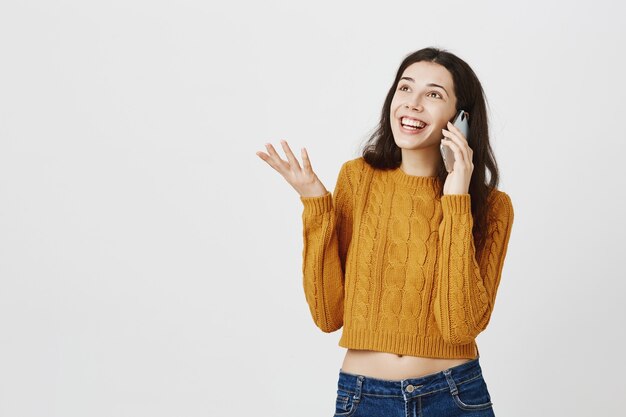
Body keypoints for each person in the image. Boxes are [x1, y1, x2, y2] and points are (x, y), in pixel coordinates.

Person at [256, 47, 513, 416]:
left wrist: (456, 194)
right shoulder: (357, 179)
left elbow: (460, 326)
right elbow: (328, 315)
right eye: (405, 89)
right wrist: (315, 204)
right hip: (364, 397)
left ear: (461, 118)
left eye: (434, 94)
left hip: (455, 396)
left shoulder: (492, 207)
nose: (413, 103)